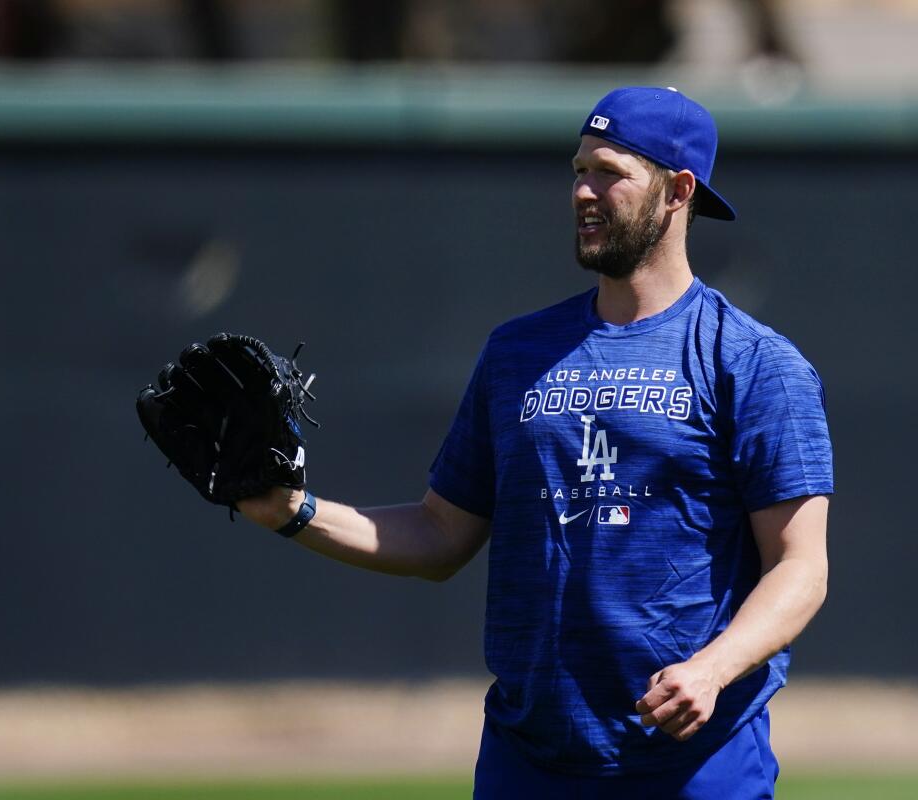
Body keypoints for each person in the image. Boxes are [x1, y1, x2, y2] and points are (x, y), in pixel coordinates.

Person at [238, 86, 832, 798]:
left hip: (694, 763)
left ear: (678, 191)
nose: (583, 191)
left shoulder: (752, 361)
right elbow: (438, 534)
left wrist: (712, 668)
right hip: (531, 759)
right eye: (577, 169)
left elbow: (800, 567)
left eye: (609, 172)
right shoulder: (517, 352)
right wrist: (291, 512)